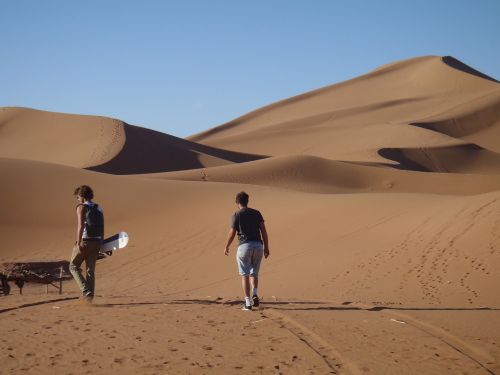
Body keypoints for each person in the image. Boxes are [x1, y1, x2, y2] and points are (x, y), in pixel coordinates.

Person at [224, 192, 269, 311]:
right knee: (254, 273)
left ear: (237, 203)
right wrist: (266, 247)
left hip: (244, 246)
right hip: (258, 246)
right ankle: (254, 293)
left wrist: (227, 245)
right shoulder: (257, 213)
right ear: (247, 201)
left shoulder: (236, 214)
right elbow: (263, 230)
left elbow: (232, 232)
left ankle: (247, 302)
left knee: (245, 274)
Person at [70, 185, 104, 303]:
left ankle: (85, 291)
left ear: (83, 196)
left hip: (85, 241)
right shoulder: (98, 207)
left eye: (78, 197)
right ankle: (89, 299)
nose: (78, 199)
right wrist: (101, 242)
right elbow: (102, 226)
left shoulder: (81, 207)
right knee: (90, 271)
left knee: (73, 266)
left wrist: (78, 243)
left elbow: (80, 226)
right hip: (96, 242)